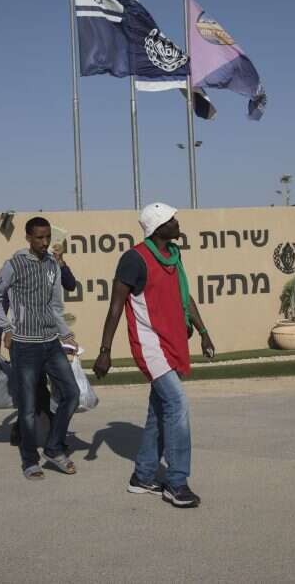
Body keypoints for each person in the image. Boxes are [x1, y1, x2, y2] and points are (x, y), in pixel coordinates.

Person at [94, 203, 216, 509]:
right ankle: (176, 483)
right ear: (158, 226)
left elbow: (183, 295)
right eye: (172, 219)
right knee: (177, 404)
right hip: (150, 347)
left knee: (159, 412)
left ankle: (144, 476)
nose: (177, 223)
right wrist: (105, 351)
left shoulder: (174, 256)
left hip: (172, 341)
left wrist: (202, 331)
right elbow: (115, 307)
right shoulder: (134, 259)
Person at [0, 217, 80, 480]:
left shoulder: (52, 264)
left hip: (51, 343)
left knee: (71, 394)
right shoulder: (14, 265)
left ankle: (53, 447)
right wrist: (6, 327)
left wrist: (66, 333)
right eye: (39, 237)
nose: (44, 242)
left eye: (47, 237)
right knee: (27, 409)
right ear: (28, 238)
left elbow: (53, 304)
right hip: (25, 347)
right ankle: (30, 460)